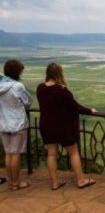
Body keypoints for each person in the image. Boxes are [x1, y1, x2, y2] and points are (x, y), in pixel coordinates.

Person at [36, 62, 96, 190]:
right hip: (63, 127)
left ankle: (55, 183)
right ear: (59, 73)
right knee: (73, 153)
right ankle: (80, 180)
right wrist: (90, 110)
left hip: (46, 125)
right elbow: (75, 107)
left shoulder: (40, 88)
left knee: (51, 154)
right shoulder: (62, 90)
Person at [0, 59, 33, 190]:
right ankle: (16, 183)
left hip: (3, 123)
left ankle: (10, 182)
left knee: (8, 153)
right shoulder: (17, 86)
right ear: (17, 72)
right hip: (18, 123)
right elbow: (27, 102)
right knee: (16, 153)